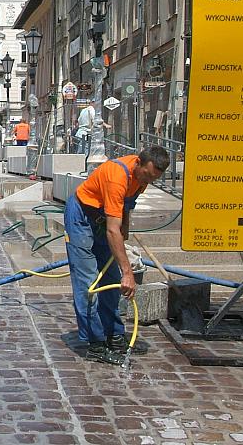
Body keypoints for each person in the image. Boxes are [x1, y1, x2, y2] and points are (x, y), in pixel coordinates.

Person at [65, 147, 169, 364]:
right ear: (138, 163)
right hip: (82, 217)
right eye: (147, 175)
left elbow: (125, 208)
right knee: (89, 283)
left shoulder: (142, 177)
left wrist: (126, 230)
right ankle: (95, 344)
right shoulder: (117, 177)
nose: (148, 180)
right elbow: (113, 230)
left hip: (104, 219)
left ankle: (114, 335)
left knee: (111, 278)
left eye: (154, 178)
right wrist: (128, 272)